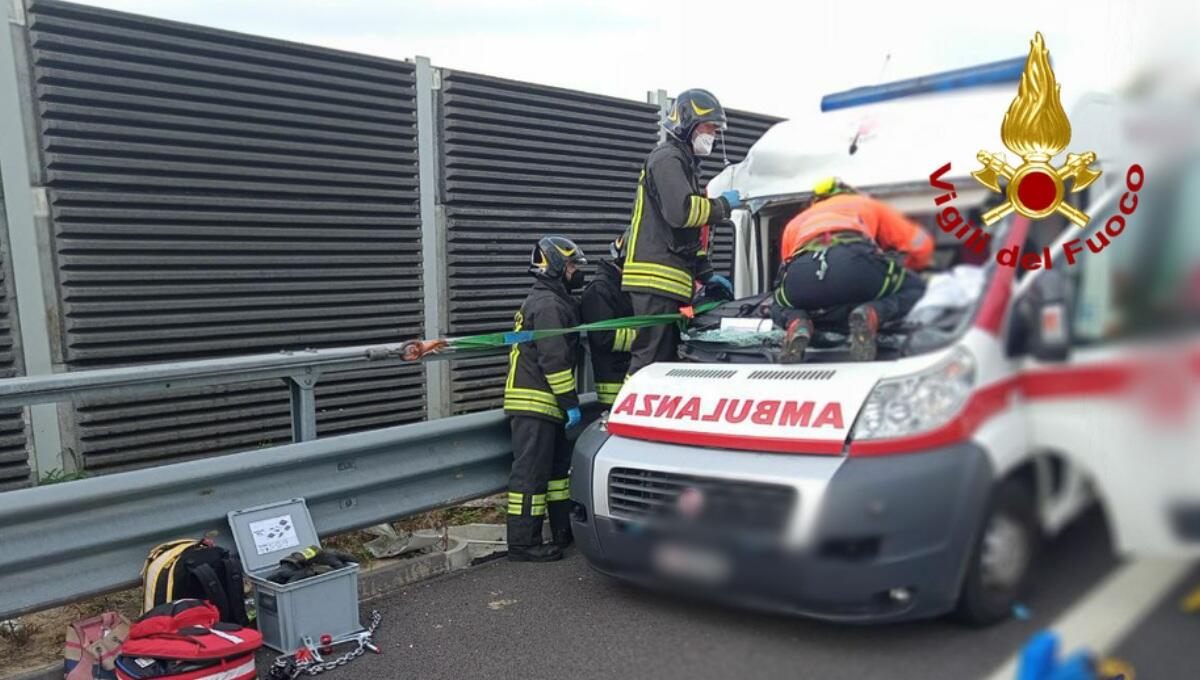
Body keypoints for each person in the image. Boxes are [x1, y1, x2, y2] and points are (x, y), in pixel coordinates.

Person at [622, 88, 739, 377]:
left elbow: (685, 237)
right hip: (655, 280)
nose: (712, 135)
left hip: (670, 283)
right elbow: (682, 212)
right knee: (651, 358)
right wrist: (723, 206)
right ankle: (625, 416)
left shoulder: (683, 163)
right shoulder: (667, 159)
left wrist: (706, 273)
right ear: (687, 124)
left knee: (669, 357)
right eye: (708, 127)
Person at [773, 177, 934, 363]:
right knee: (915, 288)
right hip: (854, 263)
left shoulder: (797, 221)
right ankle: (872, 312)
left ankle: (797, 323)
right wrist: (909, 267)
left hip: (803, 271)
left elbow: (788, 265)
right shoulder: (865, 203)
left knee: (779, 302)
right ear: (847, 191)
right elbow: (920, 244)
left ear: (816, 201)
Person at [502, 236, 587, 562]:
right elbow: (554, 360)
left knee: (553, 475)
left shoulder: (550, 299)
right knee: (530, 476)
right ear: (554, 267)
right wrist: (570, 403)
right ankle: (523, 544)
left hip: (541, 399)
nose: (575, 272)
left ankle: (560, 531)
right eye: (570, 266)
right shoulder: (548, 305)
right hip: (535, 400)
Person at [581, 232, 635, 407]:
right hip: (614, 387)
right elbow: (603, 337)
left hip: (630, 380)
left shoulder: (623, 286)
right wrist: (645, 338)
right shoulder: (600, 290)